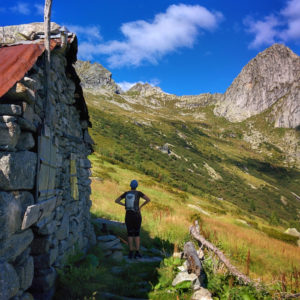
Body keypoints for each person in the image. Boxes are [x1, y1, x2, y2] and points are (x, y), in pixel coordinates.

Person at [115, 179, 150, 259]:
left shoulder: (126, 193)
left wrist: (124, 204)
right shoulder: (139, 193)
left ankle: (130, 252)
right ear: (136, 186)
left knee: (130, 234)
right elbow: (148, 199)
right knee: (137, 234)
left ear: (130, 186)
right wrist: (140, 206)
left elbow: (116, 201)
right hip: (137, 215)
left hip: (128, 215)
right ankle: (137, 252)